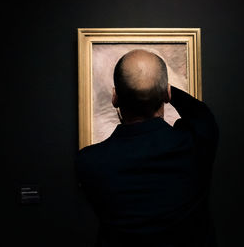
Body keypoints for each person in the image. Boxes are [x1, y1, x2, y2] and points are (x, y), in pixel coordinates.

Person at [75, 49, 219, 247]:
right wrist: (165, 90)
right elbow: (200, 113)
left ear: (115, 97)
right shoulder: (195, 143)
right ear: (166, 94)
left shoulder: (88, 162)